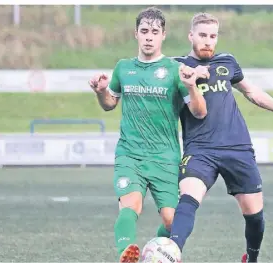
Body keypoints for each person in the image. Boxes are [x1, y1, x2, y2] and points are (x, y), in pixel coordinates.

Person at [169, 13, 273, 263]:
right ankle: (172, 253)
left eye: (213, 36)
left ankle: (251, 259)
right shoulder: (175, 66)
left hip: (237, 147)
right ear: (191, 36)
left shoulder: (227, 61)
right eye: (202, 35)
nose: (208, 41)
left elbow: (251, 92)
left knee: (254, 216)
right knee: (188, 199)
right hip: (200, 150)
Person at [88, 7, 207, 263]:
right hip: (130, 154)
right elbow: (110, 103)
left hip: (165, 156)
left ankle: (155, 252)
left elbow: (199, 112)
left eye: (155, 32)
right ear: (136, 34)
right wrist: (100, 91)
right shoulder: (123, 68)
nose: (149, 37)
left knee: (172, 221)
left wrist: (191, 86)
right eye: (144, 31)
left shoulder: (177, 70)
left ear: (163, 35)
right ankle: (126, 253)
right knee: (131, 205)